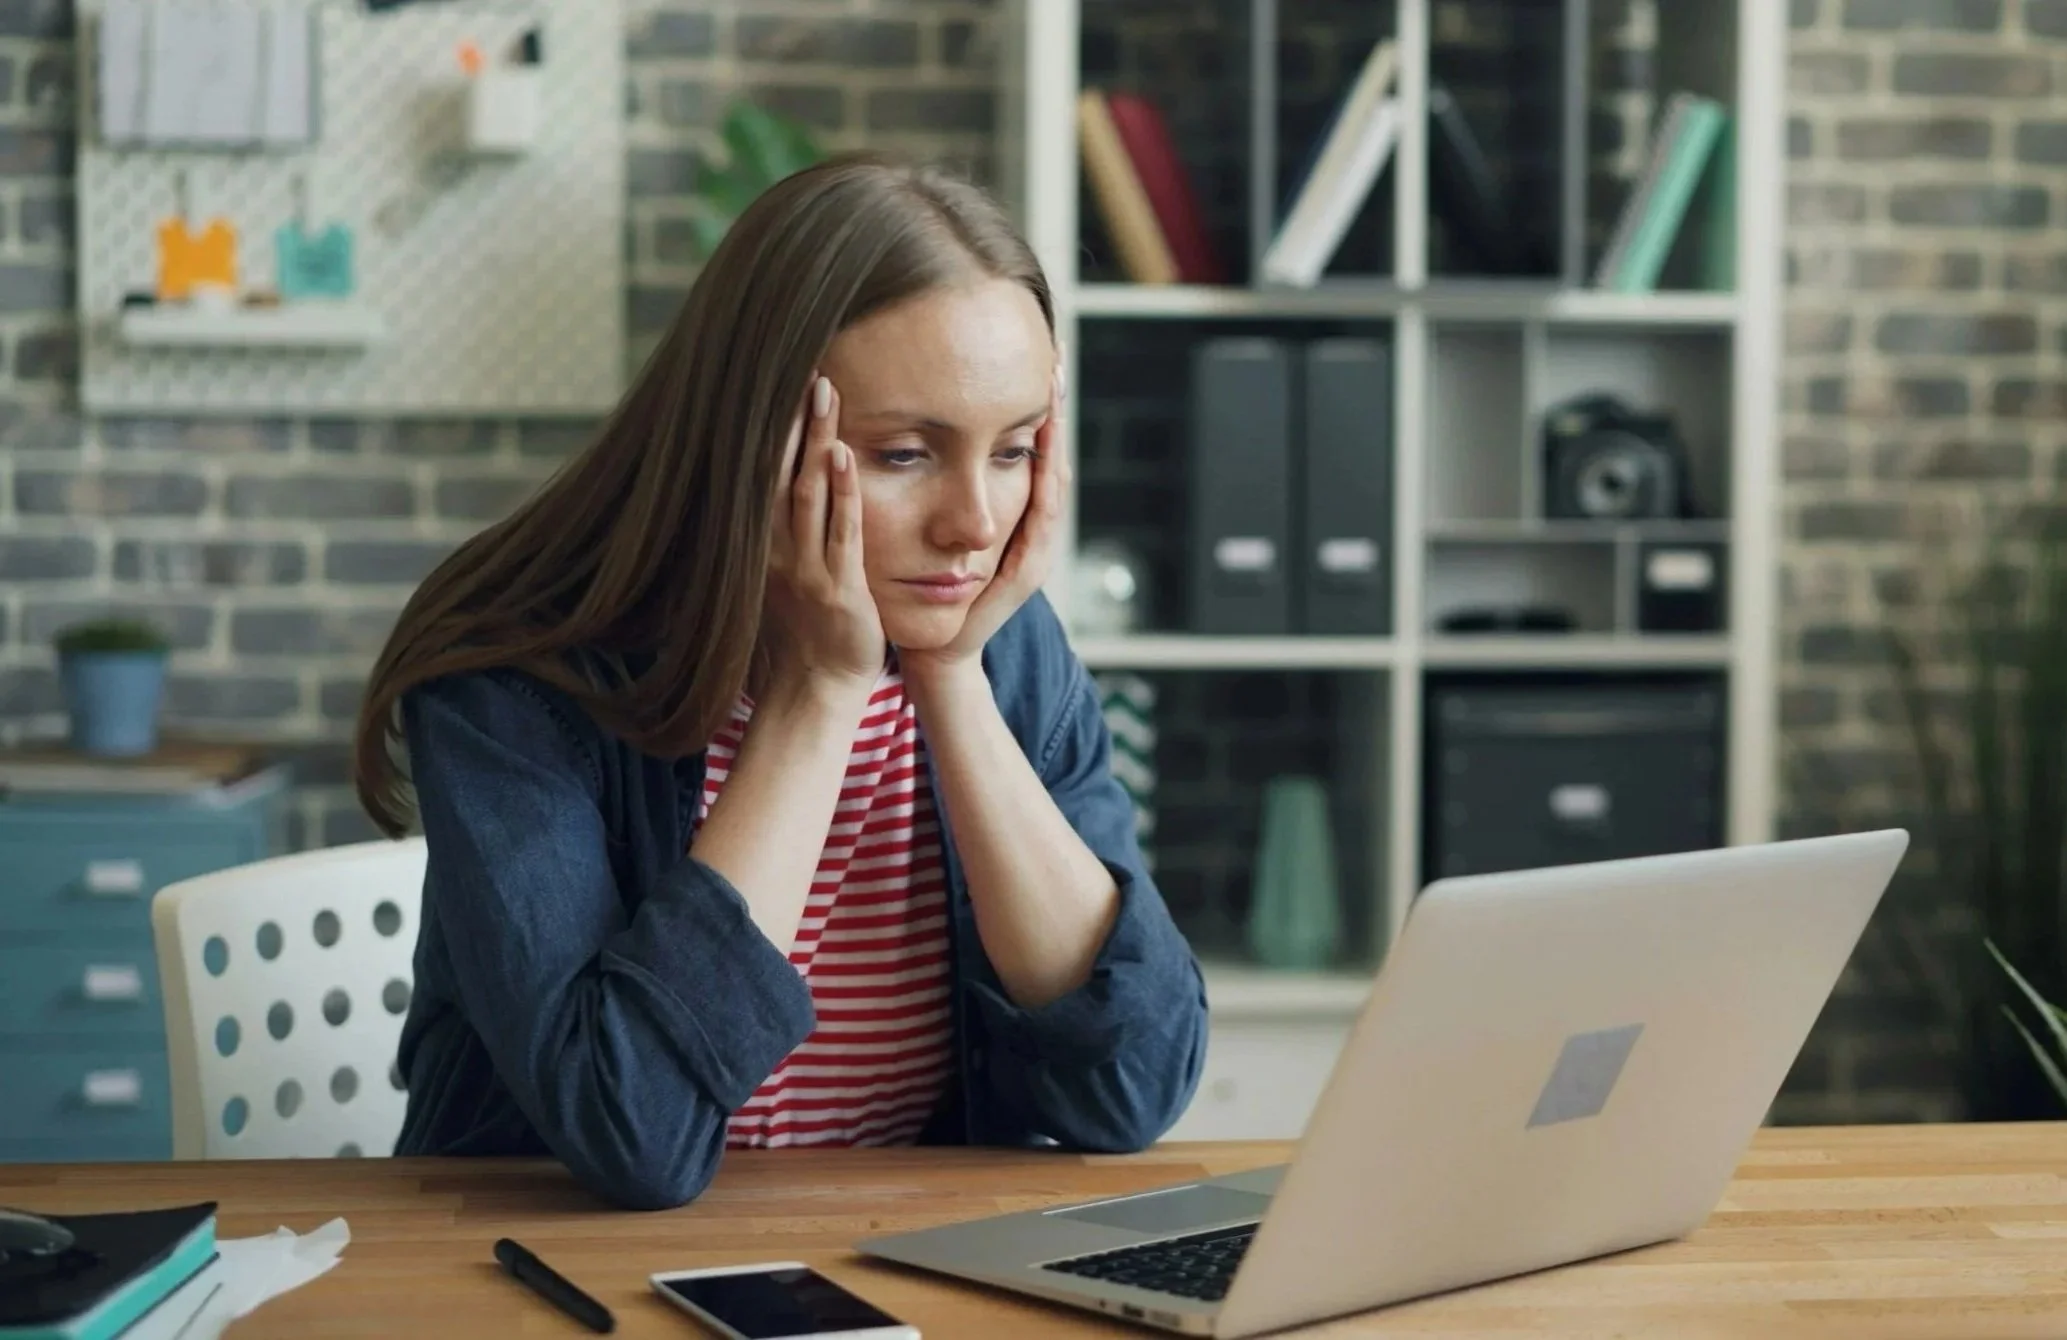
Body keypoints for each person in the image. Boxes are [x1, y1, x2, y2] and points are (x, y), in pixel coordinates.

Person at [351, 151, 1210, 1211]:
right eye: (905, 454)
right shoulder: (518, 675)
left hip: (891, 1265)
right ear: (751, 437)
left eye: (1015, 449)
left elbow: (1133, 1085)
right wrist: (816, 694)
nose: (976, 525)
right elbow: (635, 1133)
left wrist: (952, 677)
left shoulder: (999, 645)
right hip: (549, 1281)